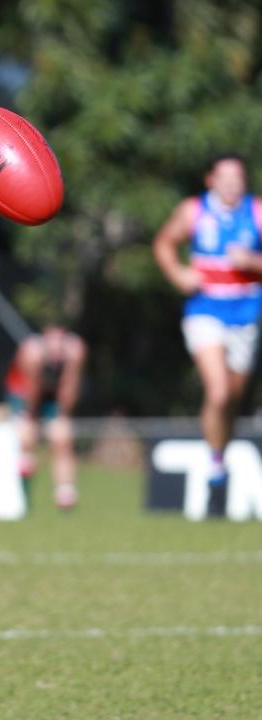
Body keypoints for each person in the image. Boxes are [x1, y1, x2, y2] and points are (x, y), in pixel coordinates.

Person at [153, 152, 262, 515]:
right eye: (225, 177)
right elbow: (164, 244)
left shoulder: (257, 212)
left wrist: (252, 263)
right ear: (210, 180)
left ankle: (220, 453)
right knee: (216, 392)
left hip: (246, 314)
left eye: (238, 178)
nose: (232, 184)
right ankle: (216, 466)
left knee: (232, 397)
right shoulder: (194, 211)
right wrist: (179, 275)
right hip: (205, 312)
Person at [6, 325, 87, 510]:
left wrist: (61, 415)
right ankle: (23, 498)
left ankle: (65, 494)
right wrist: (30, 417)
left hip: (53, 394)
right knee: (26, 439)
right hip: (24, 392)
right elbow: (32, 389)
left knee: (62, 437)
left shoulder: (75, 351)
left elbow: (70, 387)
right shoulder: (32, 352)